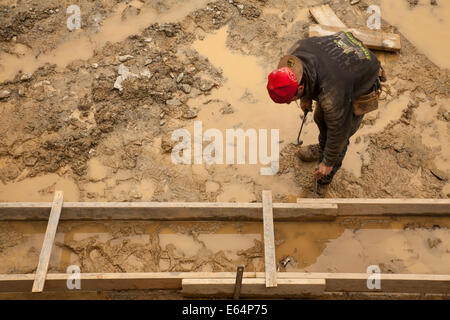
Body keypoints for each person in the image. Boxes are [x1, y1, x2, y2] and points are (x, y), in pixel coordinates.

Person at [267, 31, 385, 196]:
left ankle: (324, 178)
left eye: (290, 100)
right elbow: (309, 75)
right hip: (340, 62)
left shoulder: (332, 94)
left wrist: (328, 162)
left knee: (338, 135)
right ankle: (323, 148)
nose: (290, 103)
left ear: (300, 87)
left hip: (360, 76)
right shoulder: (294, 57)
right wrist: (306, 97)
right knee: (320, 118)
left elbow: (339, 131)